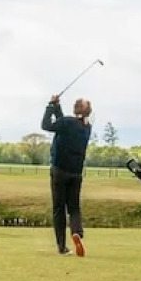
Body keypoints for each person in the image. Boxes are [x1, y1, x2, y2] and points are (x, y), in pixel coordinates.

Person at [42, 94, 92, 256]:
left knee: (59, 209)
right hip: (76, 173)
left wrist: (51, 105)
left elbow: (46, 125)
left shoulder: (66, 123)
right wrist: (57, 107)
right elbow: (63, 122)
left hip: (59, 170)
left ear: (75, 108)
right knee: (74, 207)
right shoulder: (86, 127)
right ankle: (77, 232)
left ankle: (62, 246)